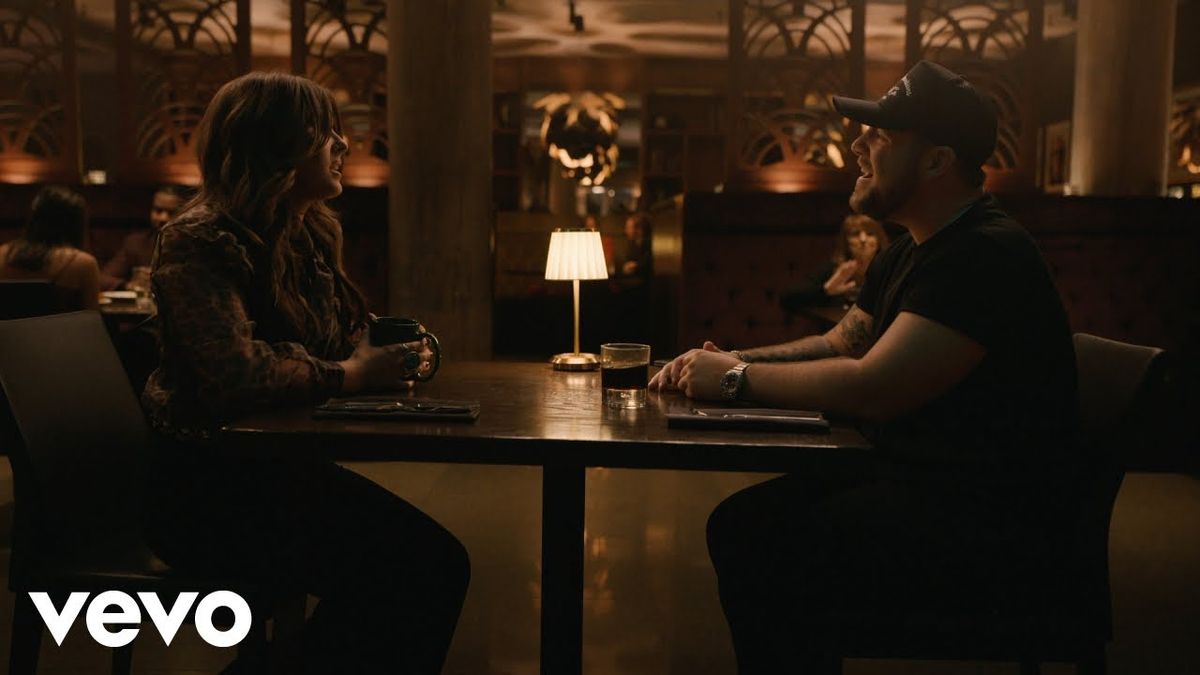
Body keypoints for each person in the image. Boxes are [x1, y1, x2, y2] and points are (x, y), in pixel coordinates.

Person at [652, 61, 1081, 674]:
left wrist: (733, 381)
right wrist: (730, 358)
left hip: (991, 523)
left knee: (757, 538)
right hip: (926, 483)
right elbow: (842, 344)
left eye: (880, 135)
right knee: (744, 524)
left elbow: (876, 386)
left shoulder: (985, 253)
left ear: (935, 161)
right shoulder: (909, 249)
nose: (857, 145)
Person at [140, 72, 468, 674]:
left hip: (273, 470)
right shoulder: (199, 239)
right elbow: (236, 375)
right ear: (277, 145)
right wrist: (351, 375)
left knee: (426, 566)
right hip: (205, 486)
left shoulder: (306, 230)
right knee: (426, 568)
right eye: (325, 132)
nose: (343, 145)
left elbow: (335, 341)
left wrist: (394, 349)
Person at [0, 185, 99, 311]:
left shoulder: (2, 253)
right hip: (61, 325)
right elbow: (91, 314)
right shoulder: (83, 262)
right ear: (77, 224)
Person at [779, 213, 889, 311]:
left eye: (870, 233)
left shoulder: (889, 270)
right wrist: (826, 290)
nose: (863, 239)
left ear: (879, 239)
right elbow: (786, 298)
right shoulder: (834, 269)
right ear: (846, 241)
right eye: (855, 234)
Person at [99, 185, 186, 290]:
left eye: (172, 212)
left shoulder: (193, 247)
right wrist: (129, 285)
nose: (163, 218)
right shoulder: (136, 243)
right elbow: (101, 279)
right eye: (158, 210)